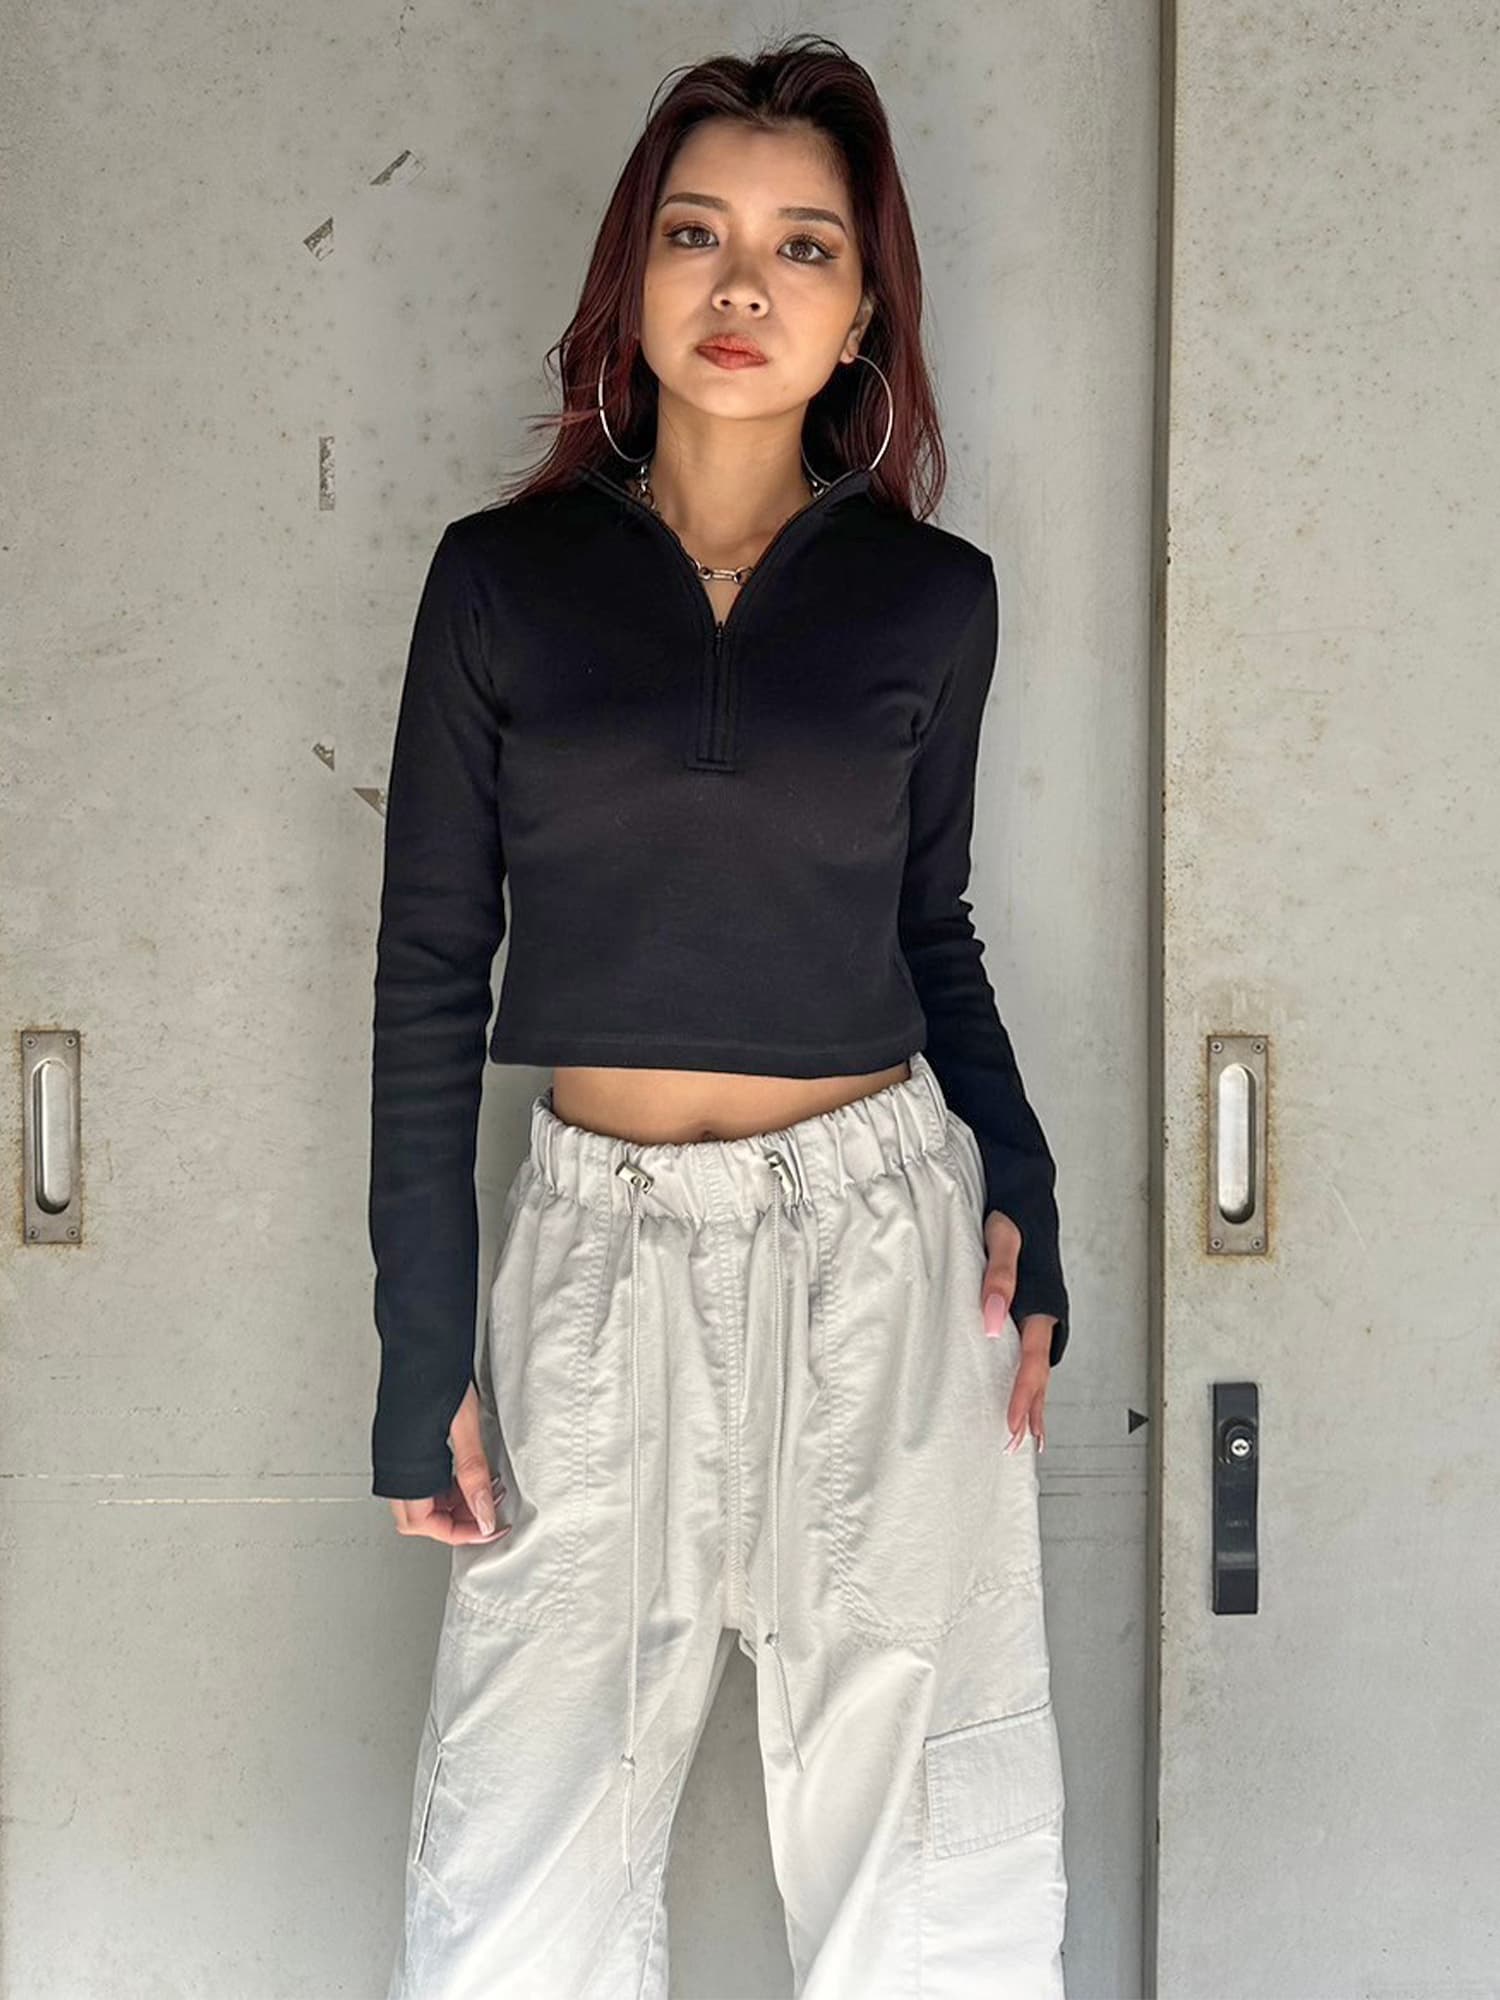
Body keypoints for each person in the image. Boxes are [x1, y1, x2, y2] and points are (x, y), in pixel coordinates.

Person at [369, 33, 1070, 2000]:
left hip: (884, 1252)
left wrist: (1025, 1192)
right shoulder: (500, 583)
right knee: (512, 1880)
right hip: (597, 1264)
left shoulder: (931, 599)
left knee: (928, 1871)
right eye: (697, 234)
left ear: (863, 314)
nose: (743, 284)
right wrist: (421, 1346)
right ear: (634, 277)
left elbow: (930, 923)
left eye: (802, 246)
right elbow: (428, 965)